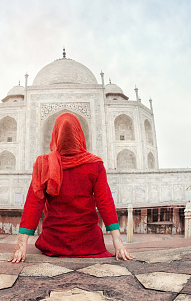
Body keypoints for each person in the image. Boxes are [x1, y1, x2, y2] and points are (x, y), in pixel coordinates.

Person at [8, 112, 134, 263]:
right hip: (90, 244)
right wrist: (118, 243)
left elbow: (34, 204)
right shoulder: (94, 164)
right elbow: (105, 202)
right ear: (79, 134)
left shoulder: (45, 163)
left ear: (55, 134)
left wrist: (21, 245)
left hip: (54, 243)